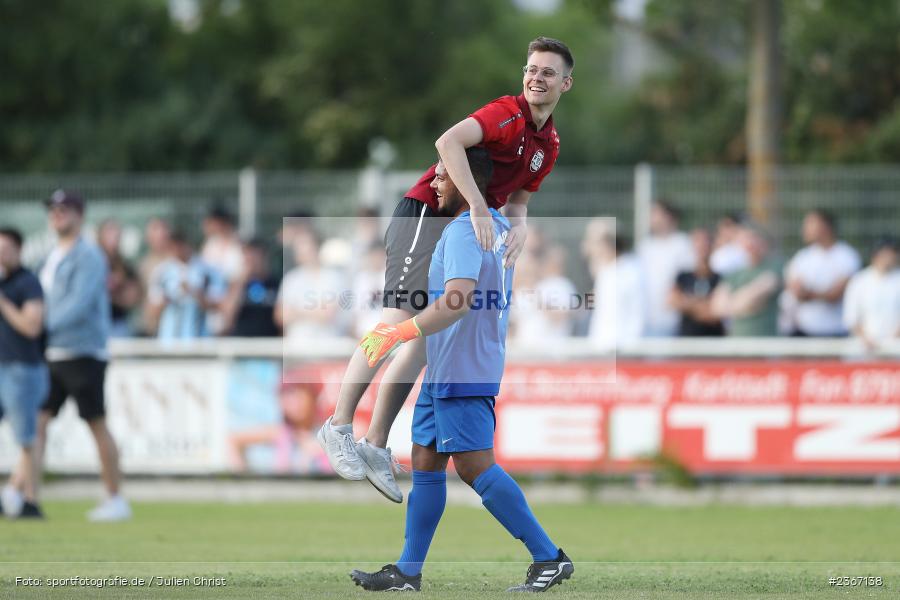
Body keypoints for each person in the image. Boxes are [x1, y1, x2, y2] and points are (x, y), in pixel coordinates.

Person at [318, 37, 574, 502]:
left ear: (565, 84)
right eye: (531, 69)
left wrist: (517, 230)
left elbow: (519, 203)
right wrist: (478, 207)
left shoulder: (548, 143)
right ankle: (337, 425)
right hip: (427, 213)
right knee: (395, 325)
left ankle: (375, 442)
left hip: (459, 223)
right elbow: (447, 142)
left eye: (548, 72)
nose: (536, 78)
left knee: (423, 345)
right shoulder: (507, 113)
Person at [350, 147, 573, 593]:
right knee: (426, 462)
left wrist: (400, 333)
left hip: (462, 368)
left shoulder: (463, 232)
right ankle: (408, 571)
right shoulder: (498, 226)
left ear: (468, 183)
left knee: (474, 467)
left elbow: (457, 300)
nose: (433, 184)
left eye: (443, 176)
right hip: (449, 365)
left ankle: (549, 557)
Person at [32, 190, 130, 521]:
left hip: (81, 351)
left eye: (65, 209)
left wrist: (38, 327)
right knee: (37, 422)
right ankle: (24, 492)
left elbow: (78, 304)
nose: (57, 215)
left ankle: (115, 497)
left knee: (95, 422)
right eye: (54, 210)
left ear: (80, 214)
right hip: (52, 351)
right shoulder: (51, 256)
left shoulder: (88, 255)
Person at [0, 228, 47, 519]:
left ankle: (30, 498)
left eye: (6, 248)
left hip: (21, 367)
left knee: (26, 436)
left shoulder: (27, 283)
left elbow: (32, 326)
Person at [784, 209, 860, 336]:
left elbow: (835, 295)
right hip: (804, 331)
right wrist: (820, 294)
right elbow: (796, 291)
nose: (805, 229)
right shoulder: (802, 257)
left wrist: (808, 294)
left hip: (836, 331)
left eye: (810, 224)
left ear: (825, 226)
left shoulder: (847, 256)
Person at [145, 232, 227, 340]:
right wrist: (170, 297)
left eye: (180, 245)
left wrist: (195, 293)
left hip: (199, 341)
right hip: (169, 341)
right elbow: (152, 310)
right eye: (174, 246)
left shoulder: (207, 271)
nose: (178, 249)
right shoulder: (162, 272)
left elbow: (219, 306)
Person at [710, 223, 782, 337]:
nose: (750, 243)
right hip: (738, 343)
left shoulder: (775, 267)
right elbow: (717, 308)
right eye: (745, 238)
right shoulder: (735, 273)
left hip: (766, 342)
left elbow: (760, 291)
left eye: (754, 238)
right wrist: (745, 305)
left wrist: (732, 303)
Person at [637, 200, 696, 337]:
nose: (651, 218)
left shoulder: (682, 244)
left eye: (655, 213)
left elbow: (687, 281)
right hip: (646, 318)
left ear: (669, 217)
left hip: (671, 319)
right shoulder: (645, 246)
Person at [275, 227, 344, 340]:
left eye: (303, 244)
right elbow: (279, 316)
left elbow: (328, 315)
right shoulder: (291, 279)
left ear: (315, 247)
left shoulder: (333, 277)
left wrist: (295, 312)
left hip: (328, 347)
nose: (299, 250)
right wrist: (314, 312)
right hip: (297, 347)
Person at [587, 233, 645, 351]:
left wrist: (632, 343)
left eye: (601, 248)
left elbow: (638, 310)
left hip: (623, 344)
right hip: (603, 343)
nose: (598, 253)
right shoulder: (606, 272)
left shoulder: (631, 273)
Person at [843, 236, 900, 351]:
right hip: (863, 350)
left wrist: (892, 341)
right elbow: (851, 318)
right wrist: (866, 339)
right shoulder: (859, 280)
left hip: (895, 350)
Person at [670, 228, 725, 337]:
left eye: (705, 242)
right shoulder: (682, 276)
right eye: (698, 242)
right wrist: (704, 304)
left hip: (714, 340)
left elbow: (714, 313)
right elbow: (672, 301)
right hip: (686, 339)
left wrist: (688, 301)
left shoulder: (720, 278)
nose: (702, 246)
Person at [221, 238, 281, 337]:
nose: (250, 261)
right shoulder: (236, 284)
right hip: (242, 344)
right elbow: (227, 315)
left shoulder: (276, 284)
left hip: (269, 344)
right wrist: (241, 282)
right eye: (247, 257)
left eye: (255, 256)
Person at [97, 219, 142, 337]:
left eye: (116, 234)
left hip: (118, 324)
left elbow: (132, 298)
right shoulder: (92, 264)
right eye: (109, 233)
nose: (113, 238)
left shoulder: (125, 267)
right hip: (95, 325)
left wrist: (112, 291)